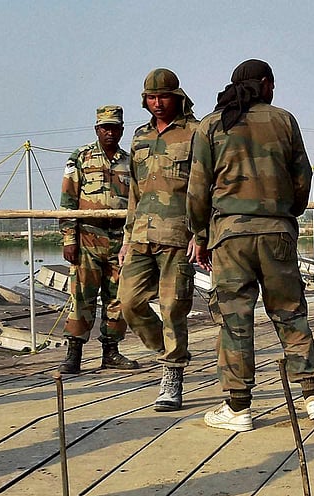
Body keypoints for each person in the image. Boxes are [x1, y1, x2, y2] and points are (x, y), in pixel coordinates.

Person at [188, 59, 314, 431]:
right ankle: (313, 395)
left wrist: (200, 235)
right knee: (290, 311)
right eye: (272, 83)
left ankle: (238, 408)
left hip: (230, 235)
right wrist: (287, 214)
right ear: (265, 83)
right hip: (277, 232)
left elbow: (198, 188)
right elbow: (303, 175)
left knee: (235, 318)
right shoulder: (284, 120)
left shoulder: (210, 125)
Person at [120, 68, 201, 412]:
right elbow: (134, 194)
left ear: (177, 97)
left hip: (178, 236)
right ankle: (168, 351)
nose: (157, 104)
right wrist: (126, 238)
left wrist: (201, 232)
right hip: (140, 234)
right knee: (128, 303)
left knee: (173, 307)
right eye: (151, 98)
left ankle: (172, 375)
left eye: (163, 97)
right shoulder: (139, 138)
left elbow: (204, 187)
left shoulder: (196, 133)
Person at [57, 105, 140, 374]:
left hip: (119, 240)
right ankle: (74, 353)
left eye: (114, 127)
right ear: (97, 129)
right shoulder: (80, 158)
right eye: (105, 127)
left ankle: (111, 352)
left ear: (121, 130)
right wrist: (69, 238)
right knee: (82, 296)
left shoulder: (130, 162)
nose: (109, 132)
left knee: (118, 298)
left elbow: (137, 201)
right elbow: (68, 200)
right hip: (88, 238)